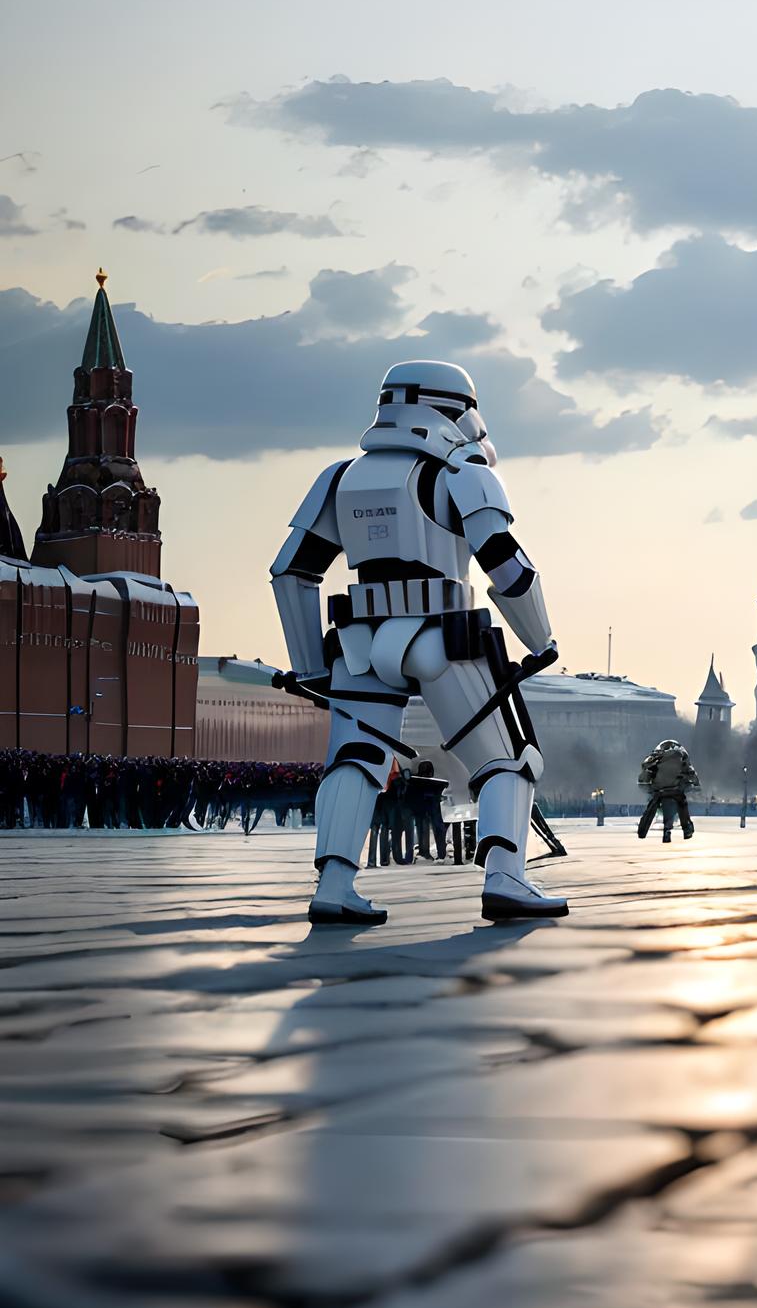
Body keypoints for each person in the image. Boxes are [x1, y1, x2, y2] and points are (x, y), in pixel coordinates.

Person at [266, 360, 567, 925]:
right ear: (454, 410)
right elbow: (506, 566)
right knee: (508, 760)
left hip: (359, 643)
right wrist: (540, 638)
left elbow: (292, 573)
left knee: (354, 761)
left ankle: (334, 885)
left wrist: (308, 665)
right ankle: (506, 878)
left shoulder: (340, 477)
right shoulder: (460, 475)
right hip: (445, 638)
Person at [637, 738, 699, 841]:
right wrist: (695, 784)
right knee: (682, 804)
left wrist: (646, 783)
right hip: (675, 790)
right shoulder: (682, 755)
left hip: (659, 790)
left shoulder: (655, 756)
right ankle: (687, 830)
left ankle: (642, 831)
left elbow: (645, 769)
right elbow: (691, 773)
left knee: (651, 807)